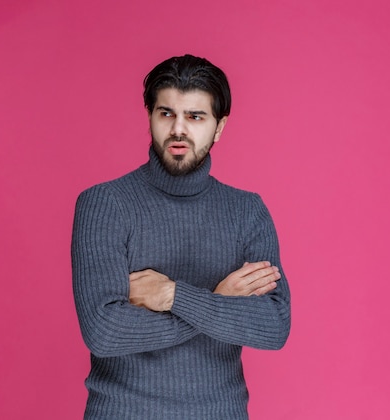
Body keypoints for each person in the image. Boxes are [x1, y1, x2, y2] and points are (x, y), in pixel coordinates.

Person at [71, 54, 290, 420]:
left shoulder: (246, 211)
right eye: (166, 113)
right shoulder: (105, 203)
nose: (178, 130)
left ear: (219, 127)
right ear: (151, 117)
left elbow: (273, 326)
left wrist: (173, 295)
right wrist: (218, 301)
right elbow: (104, 333)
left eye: (195, 116)